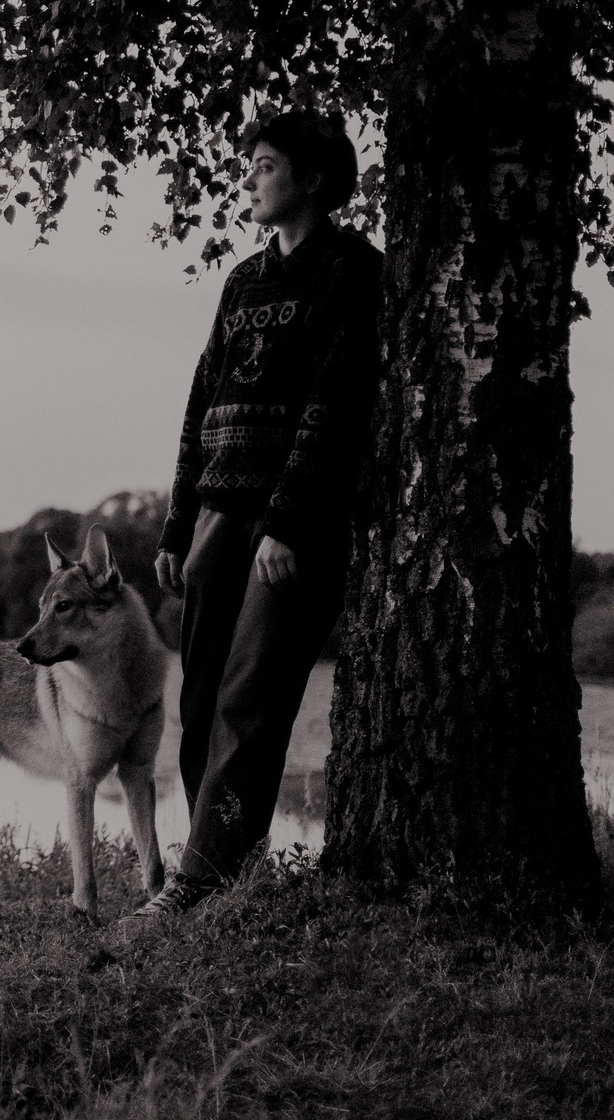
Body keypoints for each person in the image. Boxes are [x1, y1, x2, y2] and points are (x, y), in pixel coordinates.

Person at [125, 110, 382, 921]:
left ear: (313, 179)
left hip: (289, 530)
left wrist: (288, 521)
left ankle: (197, 884)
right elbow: (204, 397)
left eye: (267, 165)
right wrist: (178, 525)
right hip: (217, 516)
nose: (252, 178)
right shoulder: (242, 279)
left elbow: (338, 405)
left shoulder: (353, 270)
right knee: (200, 701)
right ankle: (222, 865)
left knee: (249, 702)